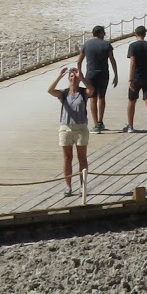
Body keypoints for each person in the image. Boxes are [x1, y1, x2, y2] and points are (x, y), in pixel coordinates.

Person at [48, 66, 91, 197]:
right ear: (68, 79)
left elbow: (92, 90)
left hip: (81, 128)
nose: (73, 79)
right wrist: (59, 76)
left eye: (75, 77)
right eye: (71, 76)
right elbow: (50, 90)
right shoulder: (64, 93)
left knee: (82, 158)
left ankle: (83, 186)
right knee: (67, 158)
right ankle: (68, 186)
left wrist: (82, 77)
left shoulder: (83, 92)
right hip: (66, 128)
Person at [80, 25, 118, 133]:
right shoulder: (106, 44)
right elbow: (112, 60)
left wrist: (80, 74)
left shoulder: (86, 44)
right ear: (100, 33)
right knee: (102, 97)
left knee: (93, 98)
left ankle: (96, 124)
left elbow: (79, 61)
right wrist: (116, 75)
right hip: (103, 73)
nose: (104, 34)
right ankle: (100, 122)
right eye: (103, 32)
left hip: (90, 73)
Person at [124, 26, 147, 135]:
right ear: (145, 34)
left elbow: (132, 63)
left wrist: (130, 79)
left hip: (136, 77)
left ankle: (130, 126)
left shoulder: (132, 46)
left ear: (135, 34)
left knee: (132, 101)